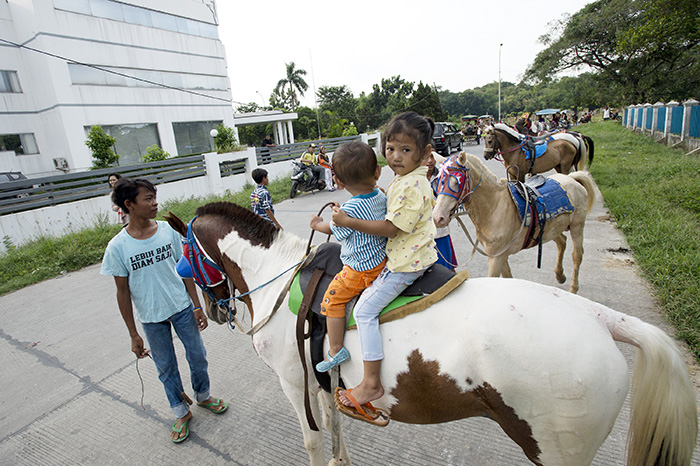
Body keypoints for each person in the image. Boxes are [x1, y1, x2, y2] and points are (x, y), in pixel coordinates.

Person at [100, 178, 227, 444]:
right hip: (151, 318)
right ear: (129, 205)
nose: (155, 202)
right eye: (147, 198)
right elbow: (122, 293)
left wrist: (196, 305)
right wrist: (134, 334)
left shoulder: (169, 231)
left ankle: (202, 396)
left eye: (154, 196)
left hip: (182, 308)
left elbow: (186, 271)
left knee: (197, 355)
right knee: (166, 366)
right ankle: (181, 413)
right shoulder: (117, 247)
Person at [332, 111, 437, 419]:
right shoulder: (407, 179)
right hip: (415, 254)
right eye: (391, 149)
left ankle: (371, 383)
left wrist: (349, 221)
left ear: (425, 152)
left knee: (364, 310)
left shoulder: (408, 186)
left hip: (405, 263)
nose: (396, 157)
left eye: (406, 150)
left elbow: (391, 228)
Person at [309, 141, 387, 373]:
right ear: (377, 172)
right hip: (379, 259)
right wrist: (343, 210)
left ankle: (335, 350)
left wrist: (317, 223)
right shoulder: (380, 194)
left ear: (339, 182)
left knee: (331, 300)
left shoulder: (349, 210)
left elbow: (335, 229)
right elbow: (360, 211)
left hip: (360, 269)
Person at [426, 151, 457, 271]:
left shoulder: (443, 176)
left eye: (432, 157)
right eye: (426, 157)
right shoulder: (415, 179)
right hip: (423, 230)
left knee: (447, 268)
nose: (430, 161)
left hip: (440, 229)